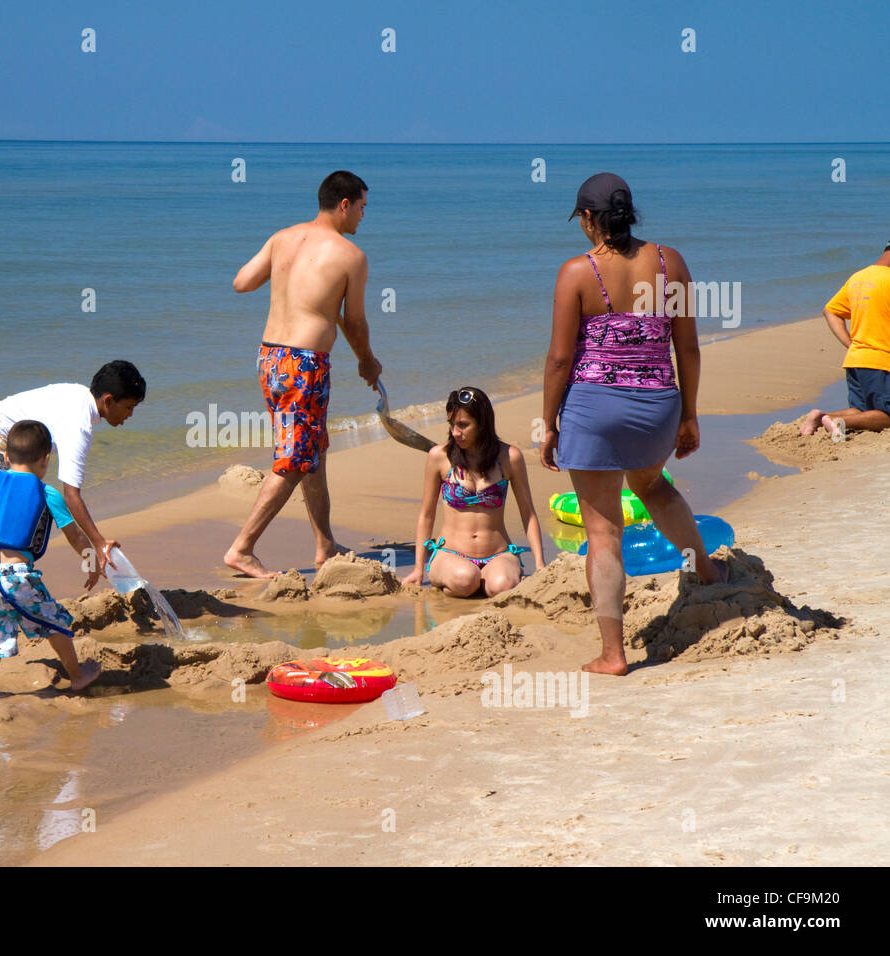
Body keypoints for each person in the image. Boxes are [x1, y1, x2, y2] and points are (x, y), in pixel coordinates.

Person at [540, 172, 726, 676]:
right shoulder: (671, 262)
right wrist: (688, 414)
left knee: (602, 531)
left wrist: (549, 424)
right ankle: (704, 570)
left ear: (587, 219)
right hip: (656, 406)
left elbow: (560, 360)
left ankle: (613, 654)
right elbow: (686, 346)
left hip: (593, 409)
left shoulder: (576, 273)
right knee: (653, 487)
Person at [223, 170, 384, 579]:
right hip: (304, 366)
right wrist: (367, 360)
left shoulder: (282, 238)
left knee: (314, 450)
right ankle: (242, 548)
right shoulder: (351, 256)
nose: (365, 216)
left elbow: (242, 283)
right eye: (363, 207)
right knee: (296, 459)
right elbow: (357, 322)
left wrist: (288, 278)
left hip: (269, 359)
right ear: (344, 204)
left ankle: (325, 545)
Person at [0, 360, 145, 577]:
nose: (130, 415)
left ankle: (1, 575)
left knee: (14, 515)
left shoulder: (80, 395)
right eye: (129, 407)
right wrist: (98, 543)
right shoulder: (78, 426)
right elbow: (71, 495)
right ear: (108, 400)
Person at [0, 420, 102, 702]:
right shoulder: (47, 493)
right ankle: (78, 677)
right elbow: (75, 536)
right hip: (15, 575)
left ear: (6, 456)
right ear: (46, 459)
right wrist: (91, 561)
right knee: (54, 622)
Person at [401, 387, 544, 596]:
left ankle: (483, 583)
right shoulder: (439, 457)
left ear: (483, 423)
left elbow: (528, 513)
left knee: (501, 586)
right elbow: (427, 514)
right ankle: (468, 583)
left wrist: (540, 564)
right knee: (465, 579)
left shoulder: (509, 457)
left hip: (498, 554)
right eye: (451, 424)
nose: (455, 432)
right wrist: (418, 569)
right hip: (450, 554)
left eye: (463, 425)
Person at [799, 240, 890, 436]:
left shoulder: (858, 277)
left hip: (855, 360)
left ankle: (820, 416)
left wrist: (851, 345)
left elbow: (830, 311)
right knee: (886, 415)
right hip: (881, 362)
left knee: (862, 412)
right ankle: (833, 420)